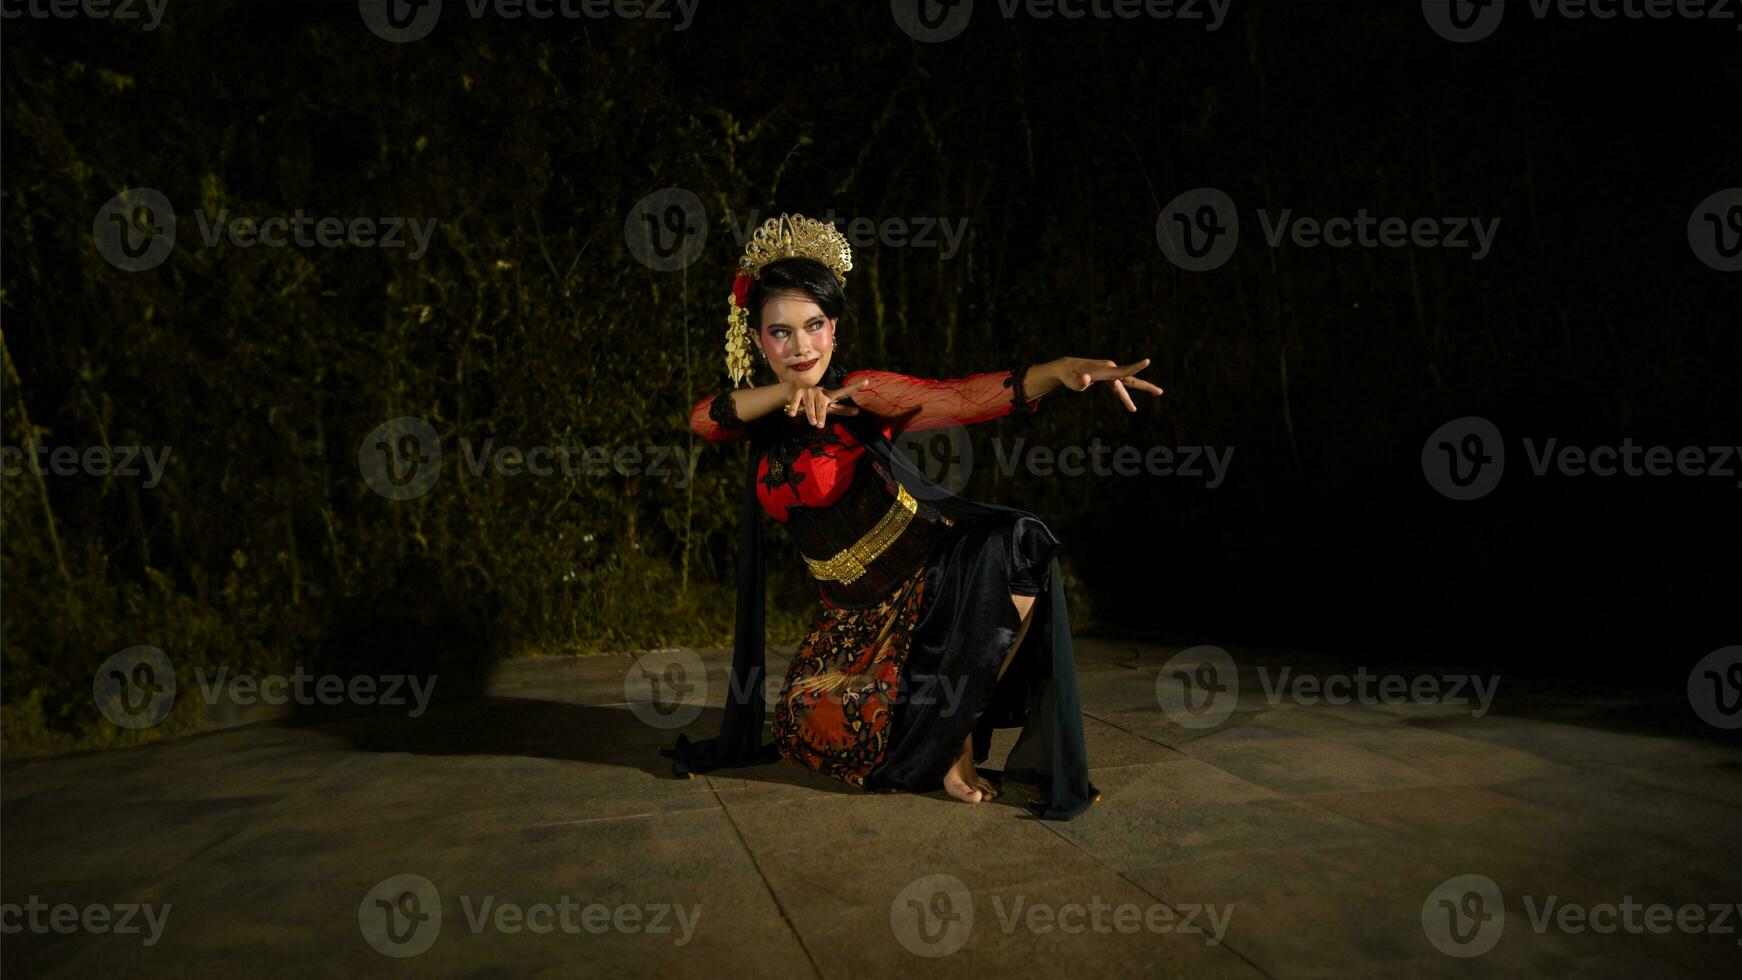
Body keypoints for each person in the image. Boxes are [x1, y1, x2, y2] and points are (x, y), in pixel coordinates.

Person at [663, 214, 1162, 819]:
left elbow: (962, 398)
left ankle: (956, 745)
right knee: (809, 731)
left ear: (834, 329)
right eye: (781, 332)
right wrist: (787, 396)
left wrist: (1053, 373)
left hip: (925, 582)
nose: (801, 348)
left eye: (815, 326)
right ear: (757, 339)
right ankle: (928, 730)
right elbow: (703, 418)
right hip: (849, 623)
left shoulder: (863, 393)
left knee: (1017, 542)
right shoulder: (754, 416)